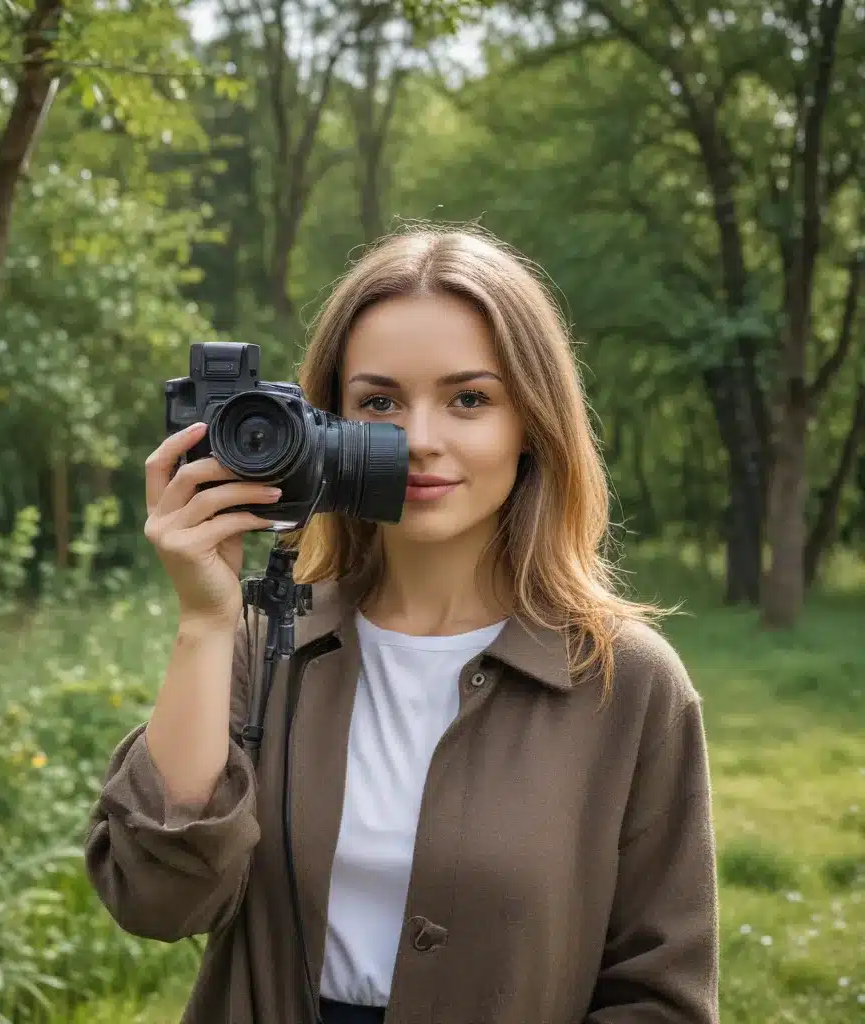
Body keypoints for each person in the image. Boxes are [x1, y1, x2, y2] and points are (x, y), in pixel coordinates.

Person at [84, 226, 719, 1024]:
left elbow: (661, 997)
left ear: (531, 423)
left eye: (470, 399)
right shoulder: (267, 647)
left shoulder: (626, 683)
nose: (419, 441)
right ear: (321, 430)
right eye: (378, 402)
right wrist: (206, 619)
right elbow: (156, 901)